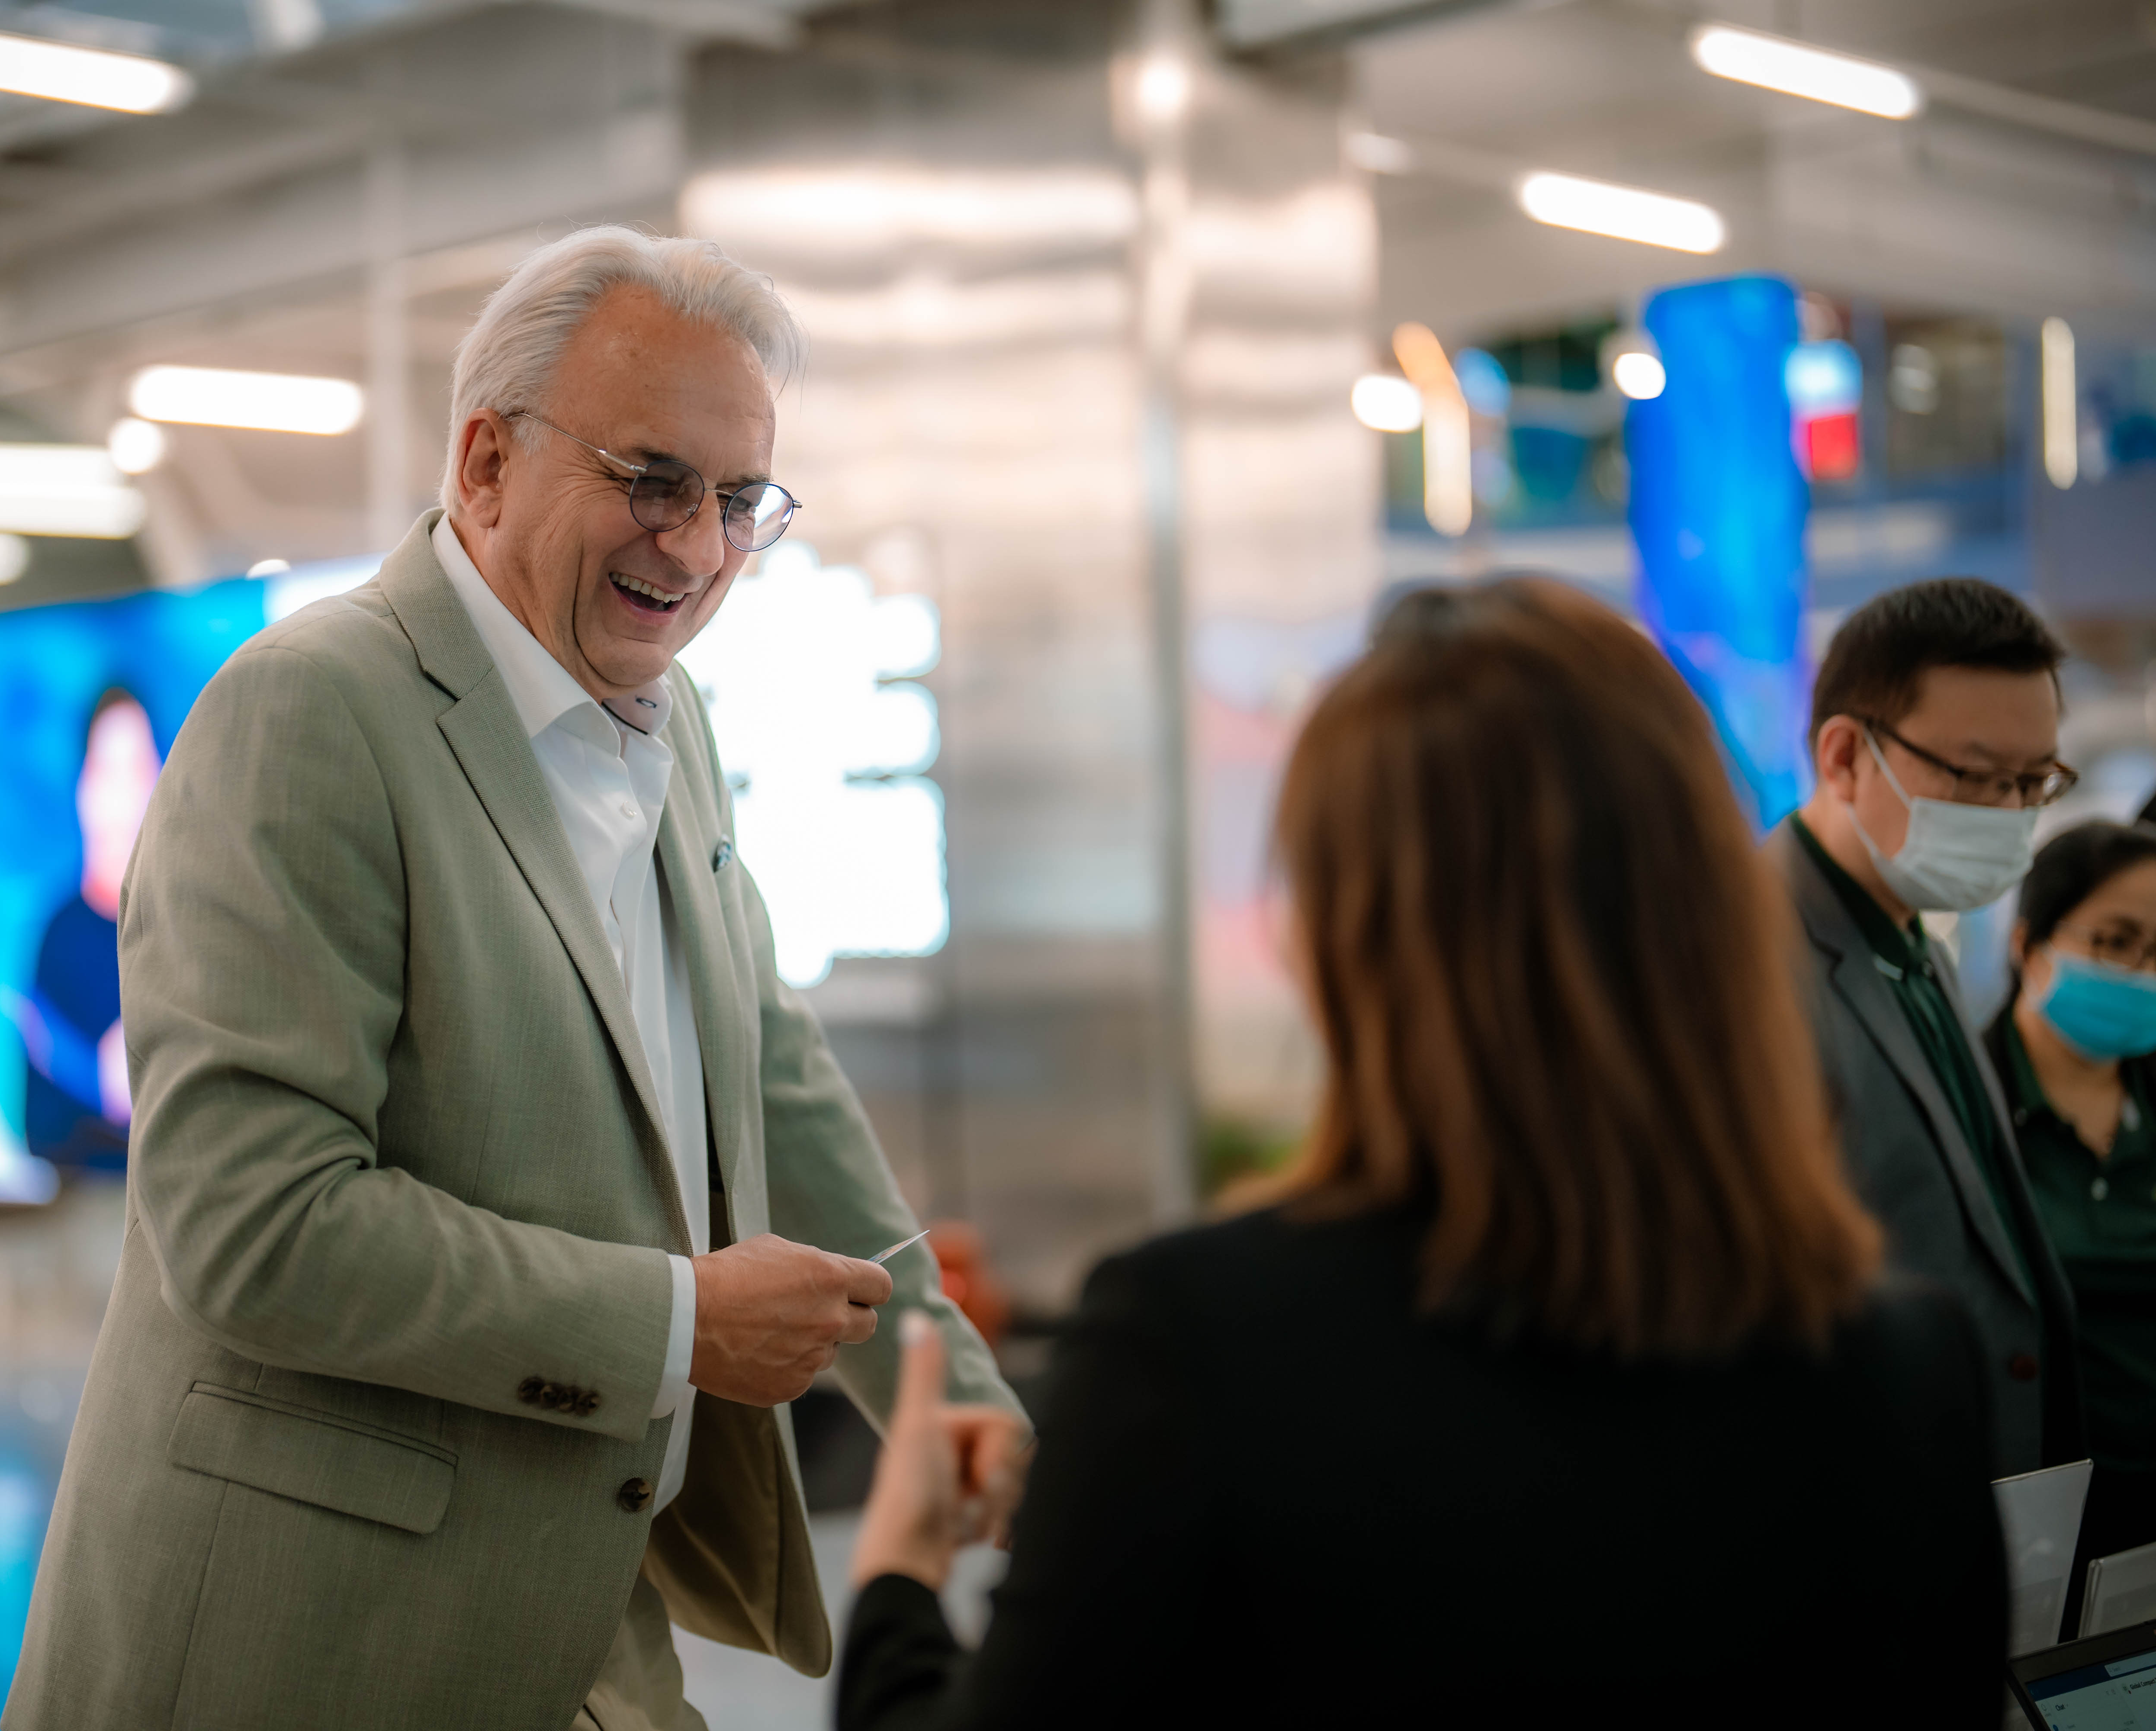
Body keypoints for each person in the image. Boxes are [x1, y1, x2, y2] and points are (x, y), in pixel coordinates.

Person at [6, 228, 1024, 1731]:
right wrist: (680, 1325)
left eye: (738, 500)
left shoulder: (667, 723)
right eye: (653, 481)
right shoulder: (310, 714)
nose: (698, 548)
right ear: (485, 463)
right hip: (305, 1641)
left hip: (570, 1607)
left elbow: (764, 1063)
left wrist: (945, 1382)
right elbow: (252, 1225)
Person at [835, 580, 2006, 1728]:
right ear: (1715, 911)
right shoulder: (1903, 1368)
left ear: (1342, 935)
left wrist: (899, 1574)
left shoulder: (1194, 1346)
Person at [1767, 577, 2082, 1477]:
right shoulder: (1746, 965)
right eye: (1976, 776)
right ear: (1844, 756)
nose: (2011, 812)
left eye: (2033, 781)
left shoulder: (1916, 946)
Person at [1988, 821, 2156, 1560]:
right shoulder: (1971, 1116)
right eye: (2116, 942)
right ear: (2029, 945)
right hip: (2033, 1516)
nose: (2143, 973)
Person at [6, 689, 160, 1171]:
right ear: (84, 788)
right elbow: (38, 1132)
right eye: (108, 771)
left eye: (136, 770)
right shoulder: (58, 941)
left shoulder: (189, 930)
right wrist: (103, 1087)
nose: (124, 798)